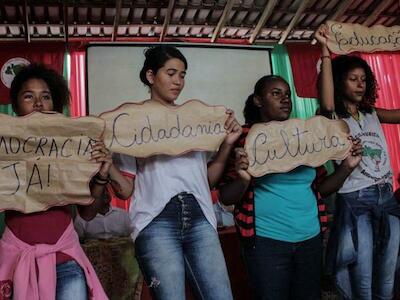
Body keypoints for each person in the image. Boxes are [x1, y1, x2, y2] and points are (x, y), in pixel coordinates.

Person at [108, 45, 241, 300]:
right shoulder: (131, 123)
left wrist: (227, 145)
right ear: (150, 76)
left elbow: (208, 180)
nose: (178, 81)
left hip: (201, 216)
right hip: (156, 221)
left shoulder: (196, 120)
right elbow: (125, 190)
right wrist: (108, 163)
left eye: (182, 75)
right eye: (171, 73)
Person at [218, 75, 362, 300]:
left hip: (310, 240)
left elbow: (321, 189)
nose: (285, 99)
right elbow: (226, 197)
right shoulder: (243, 138)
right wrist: (244, 178)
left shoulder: (305, 137)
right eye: (276, 94)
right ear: (258, 100)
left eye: (287, 94)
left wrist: (347, 168)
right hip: (266, 243)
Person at [0, 63, 109, 300]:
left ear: (55, 104)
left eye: (46, 97)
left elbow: (88, 214)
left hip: (66, 259)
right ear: (16, 105)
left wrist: (101, 174)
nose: (38, 103)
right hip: (18, 259)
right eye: (29, 96)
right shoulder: (3, 150)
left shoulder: (73, 148)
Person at [316, 25, 400, 300]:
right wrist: (326, 53)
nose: (360, 84)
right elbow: (327, 102)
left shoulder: (371, 112)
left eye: (364, 79)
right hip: (356, 199)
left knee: (388, 270)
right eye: (352, 78)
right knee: (361, 276)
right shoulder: (333, 119)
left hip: (386, 196)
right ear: (340, 81)